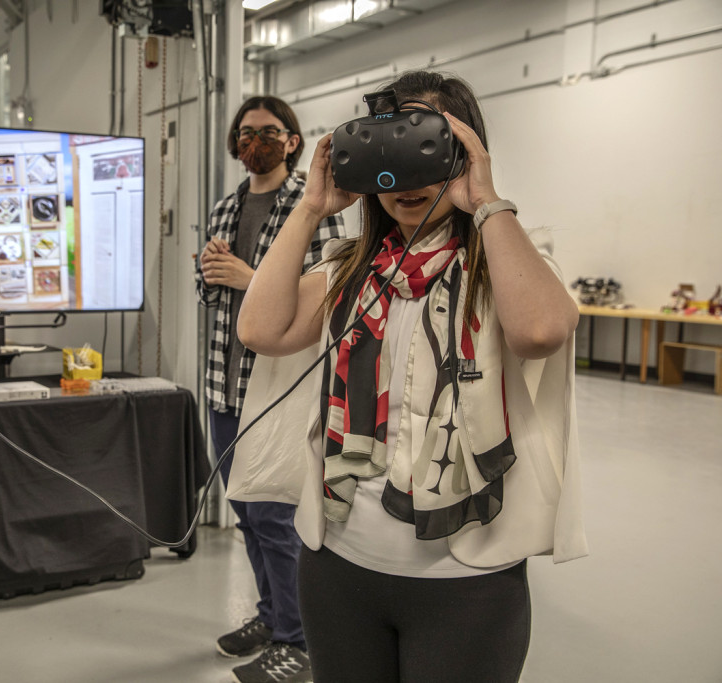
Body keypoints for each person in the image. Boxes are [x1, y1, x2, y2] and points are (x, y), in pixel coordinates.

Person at [236, 71, 588, 682]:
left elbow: (540, 330)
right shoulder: (349, 269)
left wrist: (484, 200)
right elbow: (261, 330)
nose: (407, 179)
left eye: (424, 147)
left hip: (464, 581)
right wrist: (312, 207)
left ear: (463, 153)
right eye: (386, 152)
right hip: (339, 565)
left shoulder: (506, 258)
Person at [196, 95, 346, 683]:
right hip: (223, 385)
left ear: (291, 140)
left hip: (278, 391)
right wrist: (210, 273)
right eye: (245, 131)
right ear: (236, 142)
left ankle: (298, 640)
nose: (254, 139)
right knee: (247, 517)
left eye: (268, 131)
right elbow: (211, 293)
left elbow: (326, 289)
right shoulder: (226, 207)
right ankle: (270, 614)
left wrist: (248, 278)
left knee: (279, 522)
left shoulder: (314, 203)